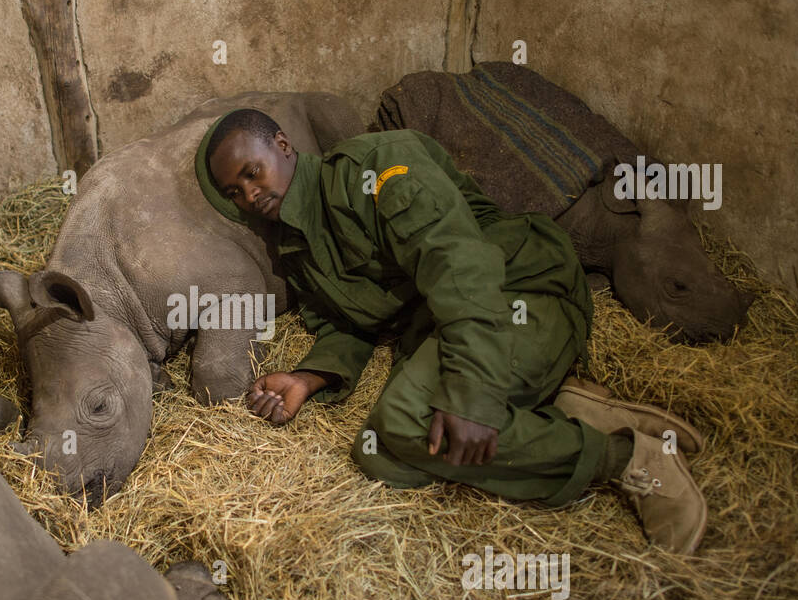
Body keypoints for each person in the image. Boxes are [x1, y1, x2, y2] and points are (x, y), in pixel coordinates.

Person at [194, 109, 709, 554]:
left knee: (403, 423)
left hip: (519, 291)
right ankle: (563, 408)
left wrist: (473, 394)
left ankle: (629, 458)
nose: (251, 194)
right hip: (449, 328)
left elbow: (457, 261)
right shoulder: (297, 249)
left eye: (253, 172)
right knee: (378, 454)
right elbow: (347, 320)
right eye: (235, 191)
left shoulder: (376, 166)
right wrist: (309, 377)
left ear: (283, 146)